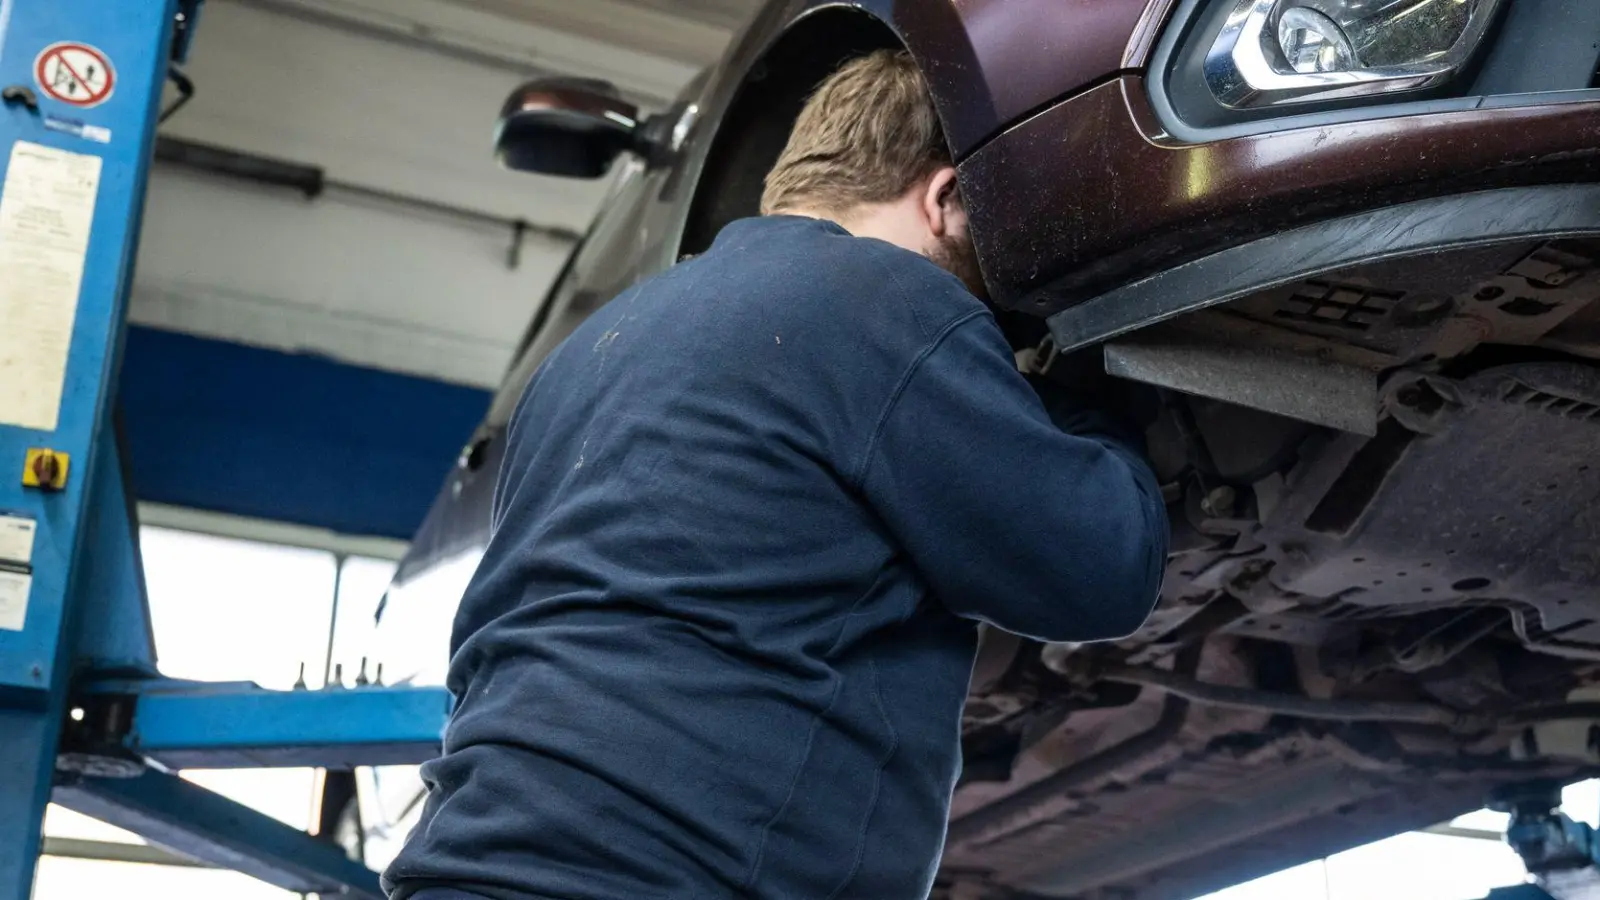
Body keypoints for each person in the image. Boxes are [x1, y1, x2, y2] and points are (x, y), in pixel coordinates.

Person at [384, 50, 1168, 900]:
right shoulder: (883, 296)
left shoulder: (590, 349)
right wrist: (1091, 383)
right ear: (945, 199)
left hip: (475, 864)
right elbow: (1102, 568)